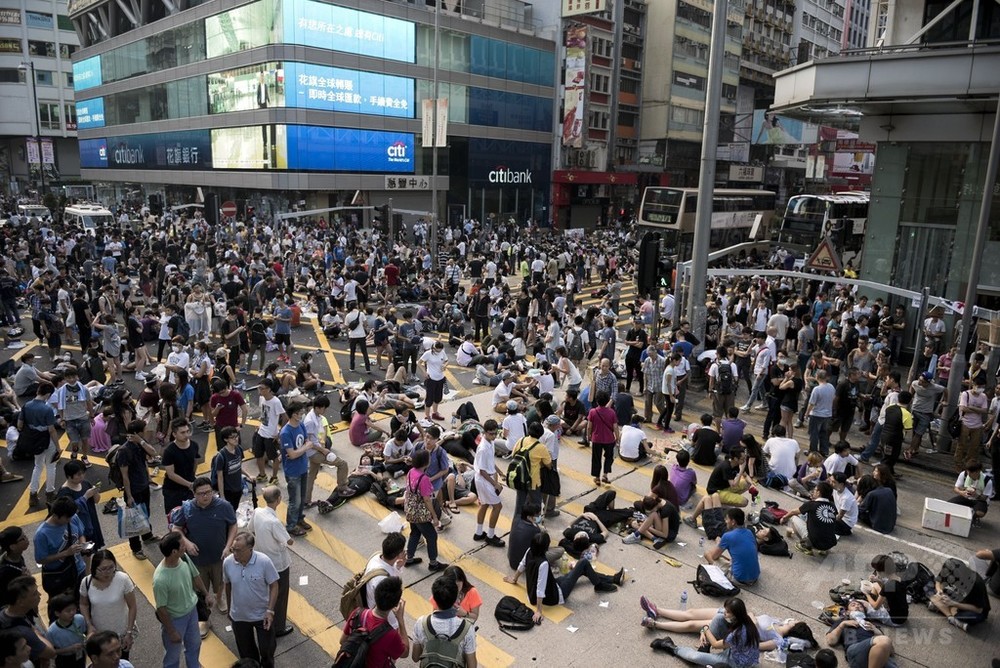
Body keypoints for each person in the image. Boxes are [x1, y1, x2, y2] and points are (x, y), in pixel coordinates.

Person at [508, 532, 623, 624]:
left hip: (548, 587)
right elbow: (540, 589)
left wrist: (514, 579)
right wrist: (538, 611)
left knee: (582, 568)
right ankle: (600, 585)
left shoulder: (529, 551)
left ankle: (612, 579)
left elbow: (522, 565)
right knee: (583, 563)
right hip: (556, 594)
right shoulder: (543, 564)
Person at [169, 477, 238, 628]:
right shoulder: (187, 509)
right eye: (201, 493)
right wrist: (187, 543)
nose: (205, 496)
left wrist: (228, 545)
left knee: (220, 582)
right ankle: (205, 619)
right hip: (197, 560)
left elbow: (233, 525)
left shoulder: (224, 506)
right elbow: (176, 528)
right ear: (194, 494)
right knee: (201, 590)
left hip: (220, 556)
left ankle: (219, 599)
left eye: (208, 492)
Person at [649, 596, 761, 667]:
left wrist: (705, 629)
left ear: (736, 614)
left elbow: (716, 645)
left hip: (734, 663)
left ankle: (670, 646)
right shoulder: (747, 620)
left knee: (694, 658)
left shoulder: (737, 633)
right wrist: (703, 631)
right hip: (736, 650)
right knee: (718, 618)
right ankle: (704, 647)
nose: (725, 613)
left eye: (728, 612)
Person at [153, 532, 211, 668]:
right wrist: (171, 631)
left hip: (192, 613)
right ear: (174, 551)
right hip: (175, 619)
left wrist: (206, 593)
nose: (185, 547)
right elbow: (161, 609)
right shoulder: (160, 579)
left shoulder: (183, 557)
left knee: (195, 645)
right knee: (172, 655)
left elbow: (195, 575)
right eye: (183, 545)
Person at [223, 532, 279, 668]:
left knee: (267, 649)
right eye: (233, 549)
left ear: (250, 549)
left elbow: (274, 585)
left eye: (238, 550)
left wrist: (270, 610)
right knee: (247, 656)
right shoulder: (228, 562)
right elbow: (228, 585)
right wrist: (230, 609)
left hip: (262, 616)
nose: (235, 554)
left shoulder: (264, 561)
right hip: (240, 617)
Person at [248, 486, 295, 638]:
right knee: (280, 595)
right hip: (278, 564)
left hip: (261, 560)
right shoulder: (274, 522)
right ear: (279, 499)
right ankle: (278, 627)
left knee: (266, 592)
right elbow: (289, 541)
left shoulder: (257, 512)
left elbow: (251, 529)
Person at [80, 550, 138, 661]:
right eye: (103, 569)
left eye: (111, 568)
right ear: (94, 568)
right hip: (99, 635)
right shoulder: (86, 582)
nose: (107, 572)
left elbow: (132, 606)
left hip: (120, 633)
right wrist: (89, 624)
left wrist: (129, 632)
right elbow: (83, 604)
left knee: (120, 660)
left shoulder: (123, 579)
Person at [339, 576, 408, 668]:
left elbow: (343, 641)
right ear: (395, 605)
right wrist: (400, 619)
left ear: (375, 595)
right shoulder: (391, 635)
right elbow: (405, 653)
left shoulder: (357, 613)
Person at [411, 576, 477, 667]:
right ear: (456, 599)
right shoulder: (466, 628)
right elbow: (472, 666)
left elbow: (415, 657)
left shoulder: (421, 622)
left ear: (434, 598)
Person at [34, 496, 88, 603]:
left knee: (82, 601)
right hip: (59, 577)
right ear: (55, 515)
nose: (70, 520)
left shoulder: (73, 517)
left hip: (79, 569)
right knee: (62, 607)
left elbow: (81, 534)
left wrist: (83, 544)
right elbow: (40, 559)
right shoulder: (42, 534)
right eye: (67, 518)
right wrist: (66, 553)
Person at [403, 449, 448, 573]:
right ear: (426, 463)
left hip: (411, 508)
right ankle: (433, 563)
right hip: (420, 513)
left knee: (415, 533)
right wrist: (434, 516)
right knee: (431, 536)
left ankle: (409, 558)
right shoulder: (424, 479)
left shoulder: (411, 472)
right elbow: (427, 500)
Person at [19, 381, 59, 509]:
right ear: (47, 394)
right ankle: (50, 492)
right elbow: (51, 430)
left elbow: (20, 425)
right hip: (46, 439)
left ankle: (33, 494)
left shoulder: (26, 406)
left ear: (37, 391)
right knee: (51, 466)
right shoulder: (47, 409)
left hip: (33, 439)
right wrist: (58, 447)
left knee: (37, 466)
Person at [825, 599, 897, 667]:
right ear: (847, 612)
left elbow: (891, 651)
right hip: (856, 650)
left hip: (875, 655)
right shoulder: (843, 622)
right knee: (884, 640)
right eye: (853, 605)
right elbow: (831, 641)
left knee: (884, 642)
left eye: (860, 606)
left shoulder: (871, 624)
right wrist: (842, 625)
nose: (857, 606)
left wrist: (876, 630)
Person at [0, 576, 56, 665]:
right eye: (34, 594)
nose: (39, 595)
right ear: (20, 602)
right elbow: (51, 653)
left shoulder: (4, 610)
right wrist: (34, 631)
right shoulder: (25, 632)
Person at [279, 402, 312, 537]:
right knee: (295, 500)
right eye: (300, 413)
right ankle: (291, 525)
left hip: (303, 467)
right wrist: (303, 448)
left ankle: (299, 518)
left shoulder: (301, 425)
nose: (302, 415)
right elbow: (292, 454)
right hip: (293, 472)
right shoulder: (285, 433)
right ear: (294, 415)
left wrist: (299, 450)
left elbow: (306, 441)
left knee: (302, 497)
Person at [779, 481, 839, 556]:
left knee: (793, 518)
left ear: (819, 493)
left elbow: (793, 512)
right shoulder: (833, 506)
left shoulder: (811, 504)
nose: (813, 491)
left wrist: (784, 518)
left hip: (815, 543)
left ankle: (806, 546)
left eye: (815, 490)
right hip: (829, 544)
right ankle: (823, 550)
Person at [704, 509, 760, 587]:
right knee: (725, 557)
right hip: (755, 576)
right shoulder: (749, 532)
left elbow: (714, 556)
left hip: (739, 579)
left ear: (733, 522)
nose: (725, 521)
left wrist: (718, 543)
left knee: (708, 554)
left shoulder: (728, 536)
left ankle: (717, 573)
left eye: (727, 519)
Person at [472, 419, 505, 547]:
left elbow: (490, 462)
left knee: (485, 505)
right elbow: (482, 470)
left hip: (486, 477)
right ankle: (490, 536)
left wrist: (500, 472)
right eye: (491, 433)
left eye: (495, 433)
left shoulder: (490, 443)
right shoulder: (483, 448)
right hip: (484, 479)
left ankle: (479, 532)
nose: (493, 436)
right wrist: (495, 484)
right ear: (485, 432)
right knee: (497, 506)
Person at [510, 421, 552, 519]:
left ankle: (517, 524)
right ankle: (535, 525)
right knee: (536, 504)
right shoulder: (541, 447)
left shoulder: (521, 440)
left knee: (520, 504)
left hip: (519, 477)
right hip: (533, 481)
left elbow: (513, 455)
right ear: (541, 433)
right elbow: (549, 465)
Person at [253, 379, 285, 484]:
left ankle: (274, 477)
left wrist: (279, 433)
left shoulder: (276, 401)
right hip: (261, 431)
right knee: (258, 455)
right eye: (259, 388)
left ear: (269, 389)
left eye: (262, 388)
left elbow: (285, 417)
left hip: (271, 435)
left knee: (274, 457)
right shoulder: (261, 398)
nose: (259, 390)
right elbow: (264, 414)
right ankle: (262, 474)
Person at [865, 554, 909, 626]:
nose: (876, 572)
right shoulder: (900, 578)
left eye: (877, 570)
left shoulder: (888, 585)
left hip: (895, 620)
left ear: (882, 571)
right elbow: (886, 590)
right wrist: (877, 580)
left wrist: (866, 594)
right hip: (903, 614)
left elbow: (876, 607)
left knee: (865, 605)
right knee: (875, 585)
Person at [46, 592, 87, 668]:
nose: (72, 613)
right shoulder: (52, 631)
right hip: (63, 659)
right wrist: (68, 649)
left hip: (80, 654)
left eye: (74, 609)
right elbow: (51, 651)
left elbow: (84, 633)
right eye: (68, 611)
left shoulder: (80, 619)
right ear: (57, 613)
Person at [587, 391, 618, 486]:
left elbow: (589, 426)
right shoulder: (612, 412)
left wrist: (589, 435)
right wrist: (617, 437)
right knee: (609, 457)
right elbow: (615, 427)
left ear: (597, 401)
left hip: (596, 438)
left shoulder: (593, 412)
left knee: (596, 458)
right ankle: (605, 474)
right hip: (609, 439)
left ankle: (597, 477)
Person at [805, 370, 835, 456]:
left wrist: (806, 414)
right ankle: (824, 451)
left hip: (817, 414)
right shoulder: (831, 387)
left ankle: (813, 451)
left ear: (817, 377)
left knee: (814, 434)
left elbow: (811, 403)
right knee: (824, 434)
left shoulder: (817, 389)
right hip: (827, 414)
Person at [420, 340, 448, 422]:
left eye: (439, 350)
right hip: (431, 378)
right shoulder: (428, 353)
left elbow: (446, 360)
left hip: (440, 378)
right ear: (434, 348)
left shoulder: (442, 352)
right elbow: (419, 362)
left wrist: (445, 365)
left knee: (438, 397)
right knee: (429, 399)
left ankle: (435, 413)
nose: (438, 352)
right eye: (437, 350)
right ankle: (427, 415)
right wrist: (424, 372)